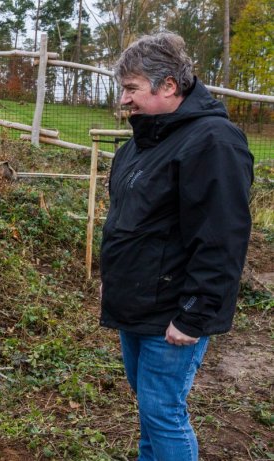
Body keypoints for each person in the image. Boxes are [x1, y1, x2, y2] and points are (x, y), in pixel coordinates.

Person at [100, 33, 253, 460]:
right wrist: (113, 282)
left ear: (168, 85)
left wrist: (195, 314)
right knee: (150, 410)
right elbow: (130, 224)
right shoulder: (140, 144)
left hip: (172, 309)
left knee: (162, 410)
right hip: (136, 303)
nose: (125, 100)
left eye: (131, 88)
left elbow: (222, 238)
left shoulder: (212, 142)